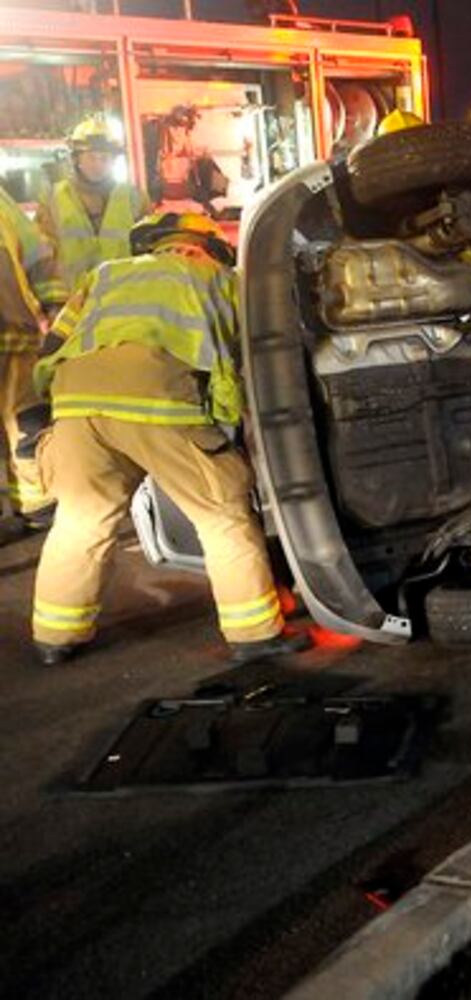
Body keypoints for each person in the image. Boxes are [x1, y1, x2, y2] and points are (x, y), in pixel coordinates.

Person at [28, 211, 308, 667]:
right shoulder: (220, 279)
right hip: (157, 403)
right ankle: (254, 632)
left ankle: (55, 636)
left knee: (82, 518)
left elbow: (55, 342)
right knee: (222, 515)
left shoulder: (104, 275)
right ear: (211, 246)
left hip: (75, 405)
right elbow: (259, 354)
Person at [37, 114, 151, 303]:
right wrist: (53, 304)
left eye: (104, 158)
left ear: (114, 161)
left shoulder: (135, 198)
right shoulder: (54, 199)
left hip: (123, 302)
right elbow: (43, 257)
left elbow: (149, 254)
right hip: (72, 304)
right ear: (77, 160)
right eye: (91, 157)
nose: (98, 164)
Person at [0, 188, 59, 533]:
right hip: (15, 326)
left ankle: (37, 503)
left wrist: (53, 304)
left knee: (27, 422)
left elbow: (38, 256)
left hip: (15, 330)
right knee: (25, 420)